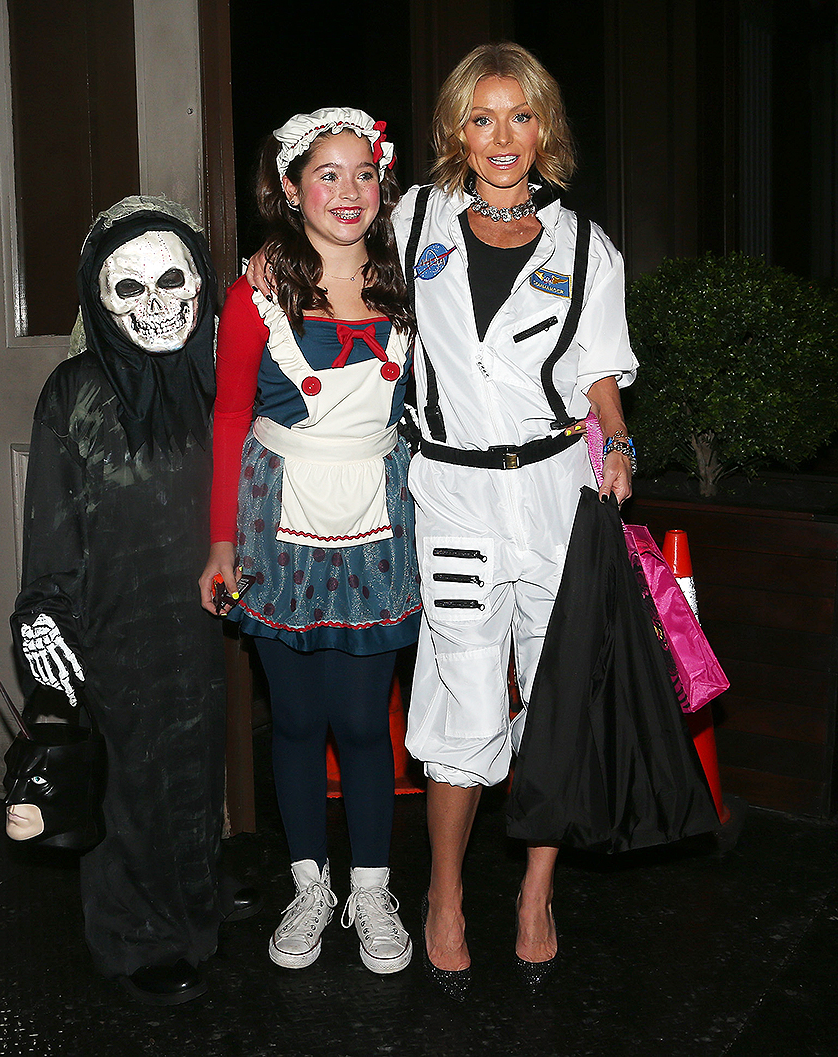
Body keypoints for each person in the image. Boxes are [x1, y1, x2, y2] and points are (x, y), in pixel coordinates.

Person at [395, 42, 637, 996]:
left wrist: (615, 444)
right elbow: (330, 242)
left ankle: (536, 890)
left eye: (522, 116)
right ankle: (445, 896)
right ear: (458, 129)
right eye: (483, 118)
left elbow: (600, 375)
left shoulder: (587, 248)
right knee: (460, 695)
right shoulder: (414, 219)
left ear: (546, 129)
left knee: (556, 694)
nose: (503, 137)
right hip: (451, 493)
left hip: (553, 495)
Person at [12, 196, 256, 1006]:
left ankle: (194, 900)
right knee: (132, 771)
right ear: (98, 299)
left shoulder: (215, 377)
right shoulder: (74, 392)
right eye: (127, 288)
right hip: (115, 611)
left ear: (199, 283)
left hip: (205, 612)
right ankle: (132, 934)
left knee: (195, 759)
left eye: (171, 279)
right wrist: (46, 613)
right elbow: (50, 515)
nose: (153, 305)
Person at [199, 109, 420, 975]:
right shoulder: (255, 292)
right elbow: (226, 416)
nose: (348, 191)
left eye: (363, 173)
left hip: (378, 523)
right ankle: (308, 884)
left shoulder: (413, 279)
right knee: (293, 719)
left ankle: (370, 886)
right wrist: (219, 540)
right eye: (326, 174)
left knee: (365, 725)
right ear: (290, 190)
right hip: (275, 524)